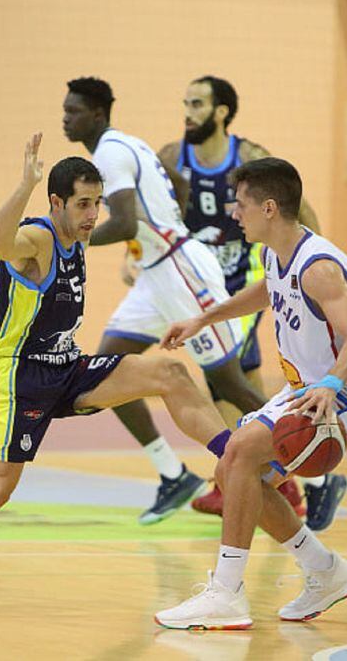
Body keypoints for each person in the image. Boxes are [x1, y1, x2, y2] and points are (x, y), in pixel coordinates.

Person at [0, 134, 233, 615]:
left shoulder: (76, 241)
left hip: (68, 369)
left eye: (98, 202)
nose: (94, 214)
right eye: (83, 204)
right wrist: (24, 184)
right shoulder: (38, 235)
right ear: (56, 202)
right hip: (19, 378)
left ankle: (230, 455)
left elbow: (18, 287)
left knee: (170, 372)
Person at [155, 157, 347, 629]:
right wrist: (204, 318)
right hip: (311, 384)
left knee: (240, 453)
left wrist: (330, 385)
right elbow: (269, 290)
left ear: (268, 207)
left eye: (239, 205)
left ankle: (227, 593)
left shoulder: (319, 267)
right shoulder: (276, 252)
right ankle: (324, 571)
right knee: (232, 469)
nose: (232, 213)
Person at [63, 77, 266, 525]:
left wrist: (69, 238)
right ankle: (173, 475)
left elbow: (126, 224)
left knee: (228, 384)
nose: (65, 119)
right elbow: (175, 181)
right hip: (158, 273)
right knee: (105, 371)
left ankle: (299, 467)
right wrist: (168, 222)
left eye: (72, 112)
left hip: (180, 270)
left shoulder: (112, 152)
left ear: (96, 115)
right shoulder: (124, 145)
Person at [158, 75, 345, 529]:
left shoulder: (249, 157)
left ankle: (289, 480)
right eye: (185, 102)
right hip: (198, 287)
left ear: (222, 111)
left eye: (198, 103)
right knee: (238, 381)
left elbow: (299, 211)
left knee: (225, 381)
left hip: (244, 285)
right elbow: (155, 215)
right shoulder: (169, 158)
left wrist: (316, 261)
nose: (188, 111)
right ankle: (274, 481)